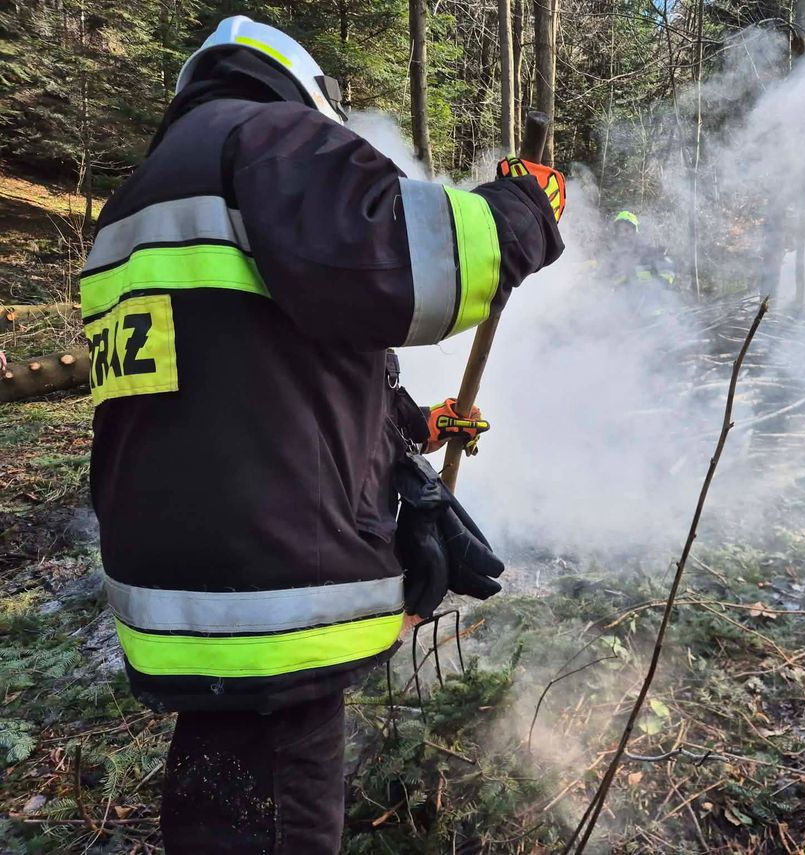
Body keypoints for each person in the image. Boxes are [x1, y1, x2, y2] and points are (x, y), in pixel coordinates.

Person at [78, 15, 564, 854]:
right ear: (307, 91)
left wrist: (417, 423)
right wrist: (522, 208)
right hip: (272, 587)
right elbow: (413, 264)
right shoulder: (268, 139)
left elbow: (248, 373)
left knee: (220, 798)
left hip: (181, 585)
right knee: (278, 816)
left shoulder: (134, 200)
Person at [610, 210, 675, 288]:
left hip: (651, 298)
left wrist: (654, 280)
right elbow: (604, 283)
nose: (623, 234)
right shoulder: (614, 258)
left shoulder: (650, 253)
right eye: (619, 231)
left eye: (627, 230)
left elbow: (668, 273)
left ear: (635, 231)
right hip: (623, 299)